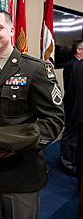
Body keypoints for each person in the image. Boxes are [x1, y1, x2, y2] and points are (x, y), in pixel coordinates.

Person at [0, 9, 64, 219]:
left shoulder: (35, 69)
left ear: (12, 30)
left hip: (21, 173)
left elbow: (54, 120)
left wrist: (15, 146)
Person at [60, 40, 83, 176]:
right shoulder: (72, 65)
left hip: (76, 106)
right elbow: (71, 90)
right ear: (79, 50)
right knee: (70, 136)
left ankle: (72, 159)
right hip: (72, 106)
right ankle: (66, 162)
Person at [67, 60, 83, 218]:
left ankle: (80, 185)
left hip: (79, 115)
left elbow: (70, 93)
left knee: (80, 151)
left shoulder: (77, 66)